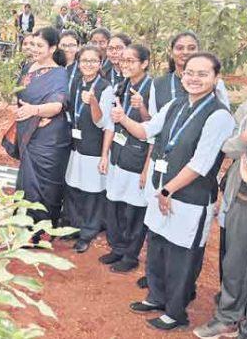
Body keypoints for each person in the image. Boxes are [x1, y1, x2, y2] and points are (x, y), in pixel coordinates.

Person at [117, 52, 234, 331]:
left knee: (182, 256)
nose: (194, 78)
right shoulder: (175, 103)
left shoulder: (219, 115)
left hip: (190, 197)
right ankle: (156, 297)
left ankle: (175, 311)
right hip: (163, 191)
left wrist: (167, 191)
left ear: (216, 78)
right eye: (190, 72)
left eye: (202, 74)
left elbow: (201, 164)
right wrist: (122, 118)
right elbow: (146, 132)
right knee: (157, 246)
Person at [192, 54, 247, 339]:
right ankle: (227, 318)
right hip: (243, 198)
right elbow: (228, 148)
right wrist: (246, 138)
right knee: (235, 264)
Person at [13, 27, 71, 242]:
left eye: (39, 45)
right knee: (26, 183)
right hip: (28, 133)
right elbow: (16, 96)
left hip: (48, 137)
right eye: (32, 44)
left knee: (43, 185)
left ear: (53, 48)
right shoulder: (28, 67)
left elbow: (56, 105)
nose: (34, 49)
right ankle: (23, 227)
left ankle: (39, 232)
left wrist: (34, 110)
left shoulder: (58, 73)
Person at [101, 44, 153, 274]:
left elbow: (155, 128)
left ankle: (131, 255)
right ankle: (119, 248)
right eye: (124, 60)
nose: (126, 64)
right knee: (116, 204)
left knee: (134, 209)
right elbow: (113, 122)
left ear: (144, 63)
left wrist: (146, 169)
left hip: (138, 157)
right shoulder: (122, 85)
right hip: (118, 155)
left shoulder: (152, 88)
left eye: (132, 61)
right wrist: (105, 154)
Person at [64, 45, 114, 253]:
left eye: (93, 61)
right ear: (78, 63)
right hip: (76, 145)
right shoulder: (75, 82)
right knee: (74, 186)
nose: (88, 65)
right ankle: (75, 226)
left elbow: (105, 123)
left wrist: (93, 101)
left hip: (94, 147)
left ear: (100, 64)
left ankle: (88, 232)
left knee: (92, 191)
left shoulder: (105, 87)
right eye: (84, 61)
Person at [149, 31, 230, 116]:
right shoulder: (158, 83)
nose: (185, 52)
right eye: (180, 48)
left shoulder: (214, 82)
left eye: (191, 48)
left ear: (199, 51)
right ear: (171, 53)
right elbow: (152, 118)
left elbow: (225, 114)